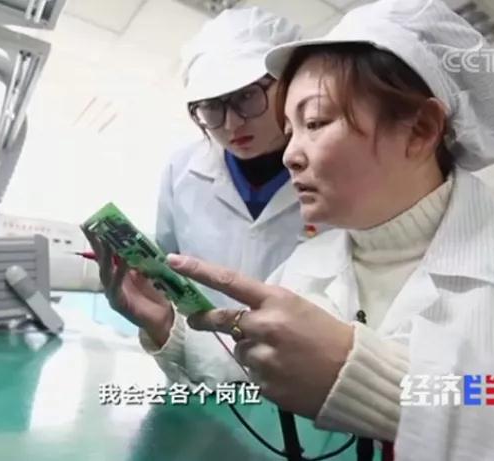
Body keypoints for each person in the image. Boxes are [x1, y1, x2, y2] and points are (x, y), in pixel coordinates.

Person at [88, 0, 494, 459]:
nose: (289, 154)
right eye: (289, 130)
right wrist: (166, 325)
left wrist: (384, 388)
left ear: (421, 129)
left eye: (314, 123)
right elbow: (250, 365)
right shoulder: (310, 264)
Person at [85, 7, 326, 383]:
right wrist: (158, 318)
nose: (231, 123)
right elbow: (168, 279)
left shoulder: (335, 170)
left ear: (288, 84)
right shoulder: (181, 170)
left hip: (309, 384)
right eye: (212, 106)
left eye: (247, 96)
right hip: (200, 372)